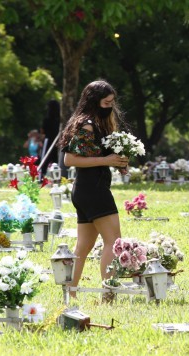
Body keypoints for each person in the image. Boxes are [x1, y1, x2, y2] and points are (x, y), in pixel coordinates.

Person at [59, 80, 129, 299]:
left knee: (84, 246)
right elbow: (70, 159)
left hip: (86, 190)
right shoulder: (87, 124)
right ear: (94, 101)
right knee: (114, 241)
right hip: (93, 190)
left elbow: (96, 157)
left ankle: (70, 293)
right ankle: (109, 292)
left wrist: (117, 162)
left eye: (112, 102)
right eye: (106, 102)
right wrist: (105, 159)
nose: (110, 106)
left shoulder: (95, 122)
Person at [40, 99, 61, 177]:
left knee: (45, 158)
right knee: (56, 159)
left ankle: (42, 175)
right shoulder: (60, 119)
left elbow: (43, 131)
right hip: (58, 140)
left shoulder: (47, 119)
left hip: (48, 140)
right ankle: (57, 176)